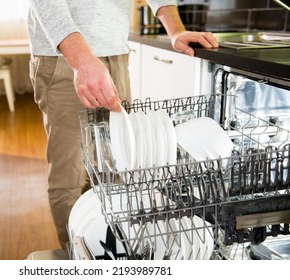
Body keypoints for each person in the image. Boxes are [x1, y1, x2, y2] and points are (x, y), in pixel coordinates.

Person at [27, 0, 219, 249]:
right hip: (63, 56)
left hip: (116, 53)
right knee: (70, 175)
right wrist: (81, 61)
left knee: (118, 164)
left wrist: (176, 30)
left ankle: (115, 251)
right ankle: (79, 259)